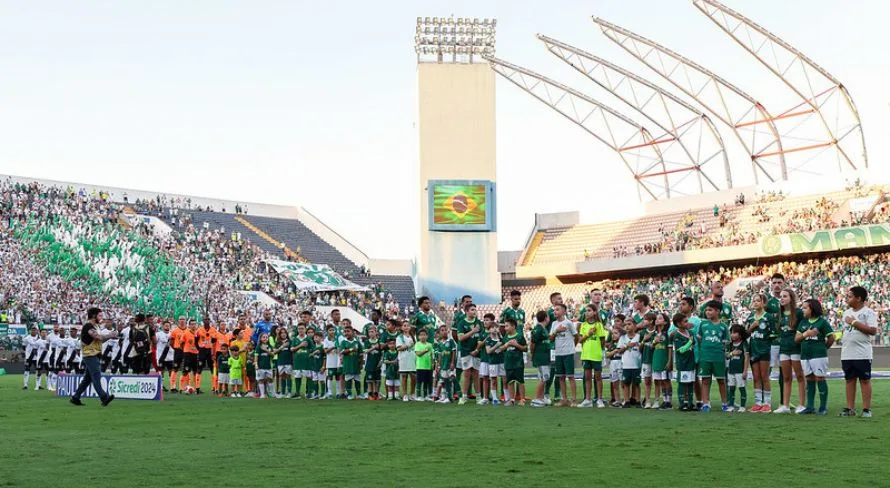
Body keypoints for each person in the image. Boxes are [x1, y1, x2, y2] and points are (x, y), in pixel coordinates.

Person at [840, 286, 878, 417]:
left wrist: (854, 322)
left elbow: (872, 330)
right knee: (849, 380)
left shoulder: (869, 313)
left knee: (865, 380)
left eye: (850, 296)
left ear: (858, 298)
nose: (847, 299)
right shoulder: (846, 313)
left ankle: (866, 409)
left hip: (862, 353)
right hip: (847, 352)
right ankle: (850, 409)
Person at [70, 307, 117, 407]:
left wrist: (109, 336)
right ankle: (104, 397)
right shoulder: (88, 326)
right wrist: (110, 335)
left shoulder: (96, 326)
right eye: (99, 315)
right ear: (93, 316)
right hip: (90, 355)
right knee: (96, 377)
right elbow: (98, 337)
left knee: (87, 379)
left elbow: (99, 340)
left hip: (94, 354)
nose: (101, 317)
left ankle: (76, 397)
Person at [796, 299, 834, 415]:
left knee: (820, 378)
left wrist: (822, 349)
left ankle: (823, 407)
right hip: (805, 355)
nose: (803, 310)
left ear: (812, 309)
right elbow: (796, 339)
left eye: (805, 308)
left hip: (818, 355)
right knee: (809, 379)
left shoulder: (822, 322)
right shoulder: (803, 323)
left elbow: (831, 338)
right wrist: (805, 334)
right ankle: (810, 406)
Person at [775, 289, 806, 414]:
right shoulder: (779, 314)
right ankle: (785, 405)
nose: (782, 298)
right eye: (781, 297)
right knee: (786, 377)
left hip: (796, 348)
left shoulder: (798, 313)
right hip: (784, 348)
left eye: (785, 296)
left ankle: (801, 404)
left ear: (791, 298)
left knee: (799, 376)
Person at [745, 294, 776, 413]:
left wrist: (765, 342)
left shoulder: (768, 317)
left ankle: (767, 403)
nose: (755, 302)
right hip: (753, 350)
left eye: (758, 300)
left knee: (764, 377)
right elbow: (745, 334)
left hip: (764, 350)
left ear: (763, 303)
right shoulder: (750, 318)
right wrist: (751, 328)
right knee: (756, 377)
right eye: (754, 300)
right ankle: (758, 403)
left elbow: (773, 334)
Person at [698, 301, 730, 413]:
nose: (707, 312)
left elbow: (726, 343)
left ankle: (725, 404)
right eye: (706, 310)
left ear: (717, 311)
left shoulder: (723, 327)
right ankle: (706, 403)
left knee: (721, 380)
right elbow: (699, 339)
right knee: (705, 380)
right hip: (705, 356)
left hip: (718, 357)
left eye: (710, 310)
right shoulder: (703, 324)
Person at [549, 303, 579, 407]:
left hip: (568, 353)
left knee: (570, 376)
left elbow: (576, 336)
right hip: (558, 353)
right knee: (561, 377)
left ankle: (574, 400)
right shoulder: (553, 324)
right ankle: (564, 399)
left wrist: (572, 346)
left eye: (557, 310)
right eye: (554, 310)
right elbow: (551, 339)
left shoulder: (569, 323)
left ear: (563, 311)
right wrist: (556, 331)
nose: (555, 312)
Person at [578, 303, 607, 408]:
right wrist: (588, 334)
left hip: (596, 354)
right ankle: (588, 399)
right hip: (586, 355)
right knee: (587, 378)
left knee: (598, 377)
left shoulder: (599, 325)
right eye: (586, 310)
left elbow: (603, 340)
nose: (587, 312)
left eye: (589, 310)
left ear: (594, 312)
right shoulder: (584, 325)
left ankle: (599, 399)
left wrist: (600, 350)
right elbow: (580, 340)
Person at [456, 303, 483, 405]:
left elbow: (482, 338)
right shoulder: (462, 323)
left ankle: (478, 397)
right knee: (467, 374)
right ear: (467, 311)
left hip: (476, 352)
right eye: (472, 310)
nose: (474, 311)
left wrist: (477, 350)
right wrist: (473, 331)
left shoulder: (479, 323)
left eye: (475, 310)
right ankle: (464, 397)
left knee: (476, 374)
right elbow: (460, 338)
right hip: (465, 351)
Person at [498, 318, 527, 406]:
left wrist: (516, 345)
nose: (505, 328)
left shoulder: (520, 336)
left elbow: (525, 348)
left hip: (518, 363)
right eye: (505, 326)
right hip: (508, 363)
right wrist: (506, 345)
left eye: (507, 326)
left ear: (513, 326)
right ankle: (512, 399)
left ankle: (522, 399)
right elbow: (500, 349)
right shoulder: (505, 337)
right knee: (510, 382)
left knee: (520, 381)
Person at [671, 313, 696, 411]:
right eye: (685, 321)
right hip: (682, 363)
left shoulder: (690, 332)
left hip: (690, 361)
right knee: (682, 383)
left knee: (690, 383)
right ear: (679, 324)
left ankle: (690, 403)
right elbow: (681, 350)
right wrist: (689, 342)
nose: (687, 323)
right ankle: (682, 403)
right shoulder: (677, 335)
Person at [529, 311, 552, 407]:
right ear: (546, 317)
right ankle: (537, 398)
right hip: (541, 357)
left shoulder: (543, 328)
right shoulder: (538, 329)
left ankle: (541, 397)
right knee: (543, 377)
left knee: (543, 377)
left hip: (545, 356)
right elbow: (532, 343)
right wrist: (532, 354)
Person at [617, 320, 642, 407]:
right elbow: (619, 351)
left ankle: (638, 400)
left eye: (629, 324)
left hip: (637, 364)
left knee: (637, 383)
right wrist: (627, 346)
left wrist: (638, 345)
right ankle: (626, 400)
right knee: (626, 383)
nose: (627, 326)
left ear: (635, 326)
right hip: (626, 365)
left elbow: (642, 349)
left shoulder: (639, 337)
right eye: (625, 325)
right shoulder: (622, 338)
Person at [726, 325, 749, 413]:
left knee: (741, 387)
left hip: (740, 370)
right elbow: (727, 356)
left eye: (735, 333)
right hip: (731, 370)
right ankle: (731, 405)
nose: (732, 335)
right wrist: (732, 353)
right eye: (731, 333)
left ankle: (742, 406)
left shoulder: (744, 343)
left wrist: (745, 371)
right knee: (731, 388)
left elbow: (747, 357)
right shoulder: (730, 344)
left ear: (740, 334)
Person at [651, 312, 672, 410]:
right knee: (660, 381)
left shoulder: (667, 334)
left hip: (664, 360)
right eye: (656, 318)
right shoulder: (654, 334)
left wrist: (669, 361)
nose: (657, 320)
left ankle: (669, 401)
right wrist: (655, 341)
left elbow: (669, 348)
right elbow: (651, 347)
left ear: (665, 322)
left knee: (666, 381)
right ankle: (664, 400)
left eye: (659, 318)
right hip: (656, 360)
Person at [484, 321, 505, 405]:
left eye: (496, 327)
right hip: (493, 362)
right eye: (492, 328)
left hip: (502, 361)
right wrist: (496, 346)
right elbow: (488, 351)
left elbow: (504, 347)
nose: (495, 329)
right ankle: (495, 398)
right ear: (489, 330)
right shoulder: (488, 339)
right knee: (493, 380)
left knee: (504, 379)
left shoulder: (501, 338)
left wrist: (501, 347)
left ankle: (507, 397)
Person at [339, 325, 362, 399]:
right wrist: (351, 349)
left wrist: (361, 363)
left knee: (357, 380)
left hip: (356, 364)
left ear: (352, 332)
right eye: (345, 332)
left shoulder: (357, 342)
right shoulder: (344, 342)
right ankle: (349, 394)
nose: (346, 333)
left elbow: (361, 353)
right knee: (348, 380)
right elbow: (342, 351)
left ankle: (359, 394)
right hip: (348, 364)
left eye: (348, 331)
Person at [639, 312, 657, 408]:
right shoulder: (642, 333)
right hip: (646, 359)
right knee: (647, 380)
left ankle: (657, 400)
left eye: (645, 319)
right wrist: (644, 340)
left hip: (656, 359)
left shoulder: (657, 332)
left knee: (658, 381)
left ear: (651, 321)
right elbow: (639, 349)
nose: (643, 321)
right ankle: (648, 400)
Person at [396, 320, 415, 401]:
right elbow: (399, 348)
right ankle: (405, 394)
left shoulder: (413, 336)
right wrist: (408, 345)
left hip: (412, 359)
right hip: (404, 359)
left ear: (410, 327)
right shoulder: (399, 337)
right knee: (404, 377)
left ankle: (412, 393)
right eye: (404, 325)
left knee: (414, 377)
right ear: (401, 327)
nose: (406, 327)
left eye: (408, 325)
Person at [605, 326, 623, 407]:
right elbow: (607, 355)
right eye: (612, 334)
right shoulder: (611, 344)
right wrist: (614, 351)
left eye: (616, 333)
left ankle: (625, 399)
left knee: (623, 383)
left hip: (621, 362)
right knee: (614, 383)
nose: (613, 335)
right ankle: (617, 400)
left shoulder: (623, 343)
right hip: (613, 363)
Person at [323, 326, 343, 400]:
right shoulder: (326, 340)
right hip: (330, 362)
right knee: (330, 377)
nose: (332, 331)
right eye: (330, 330)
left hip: (337, 361)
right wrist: (333, 347)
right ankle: (330, 393)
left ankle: (338, 392)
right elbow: (325, 351)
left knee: (338, 377)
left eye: (333, 330)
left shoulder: (338, 339)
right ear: (327, 331)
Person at [273, 327, 294, 398]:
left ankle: (289, 392)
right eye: (281, 333)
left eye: (284, 332)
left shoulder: (290, 341)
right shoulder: (278, 342)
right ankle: (282, 392)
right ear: (279, 334)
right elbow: (274, 352)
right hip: (280, 361)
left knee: (288, 376)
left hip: (288, 361)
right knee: (282, 376)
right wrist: (282, 347)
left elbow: (292, 350)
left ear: (287, 334)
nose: (283, 334)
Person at [363, 326, 383, 400]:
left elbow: (382, 352)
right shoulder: (367, 342)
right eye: (369, 332)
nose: (371, 333)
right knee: (369, 380)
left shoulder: (380, 341)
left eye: (372, 331)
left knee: (377, 380)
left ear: (376, 332)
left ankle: (376, 393)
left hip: (377, 364)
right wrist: (374, 347)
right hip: (369, 364)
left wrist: (381, 361)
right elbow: (365, 351)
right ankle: (370, 394)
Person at [414, 329, 433, 401]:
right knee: (419, 381)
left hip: (428, 366)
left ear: (427, 336)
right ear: (418, 337)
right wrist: (425, 351)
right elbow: (418, 354)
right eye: (421, 335)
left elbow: (431, 355)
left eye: (424, 335)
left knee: (427, 381)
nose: (423, 336)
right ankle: (418, 395)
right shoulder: (417, 344)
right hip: (420, 366)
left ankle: (426, 395)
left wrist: (432, 364)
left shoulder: (430, 345)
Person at [155, 320, 175, 391]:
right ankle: (161, 386)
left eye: (168, 325)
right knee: (161, 372)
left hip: (171, 356)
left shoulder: (172, 334)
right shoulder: (158, 334)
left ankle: (173, 387)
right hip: (161, 356)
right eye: (166, 325)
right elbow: (154, 343)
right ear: (163, 326)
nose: (167, 326)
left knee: (171, 372)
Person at [254, 332, 275, 399]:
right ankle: (262, 394)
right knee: (261, 380)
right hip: (260, 367)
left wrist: (266, 350)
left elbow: (272, 354)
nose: (265, 338)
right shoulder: (258, 347)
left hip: (268, 366)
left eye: (266, 337)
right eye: (263, 337)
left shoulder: (270, 346)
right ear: (260, 338)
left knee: (270, 379)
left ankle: (272, 393)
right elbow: (256, 357)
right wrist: (256, 365)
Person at [22, 326, 39, 390]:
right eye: (32, 330)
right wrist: (26, 353)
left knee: (37, 370)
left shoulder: (39, 337)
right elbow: (24, 345)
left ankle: (38, 385)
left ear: (36, 331)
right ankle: (25, 385)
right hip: (29, 356)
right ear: (30, 331)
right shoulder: (27, 338)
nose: (33, 331)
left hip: (36, 357)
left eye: (35, 330)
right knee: (26, 370)